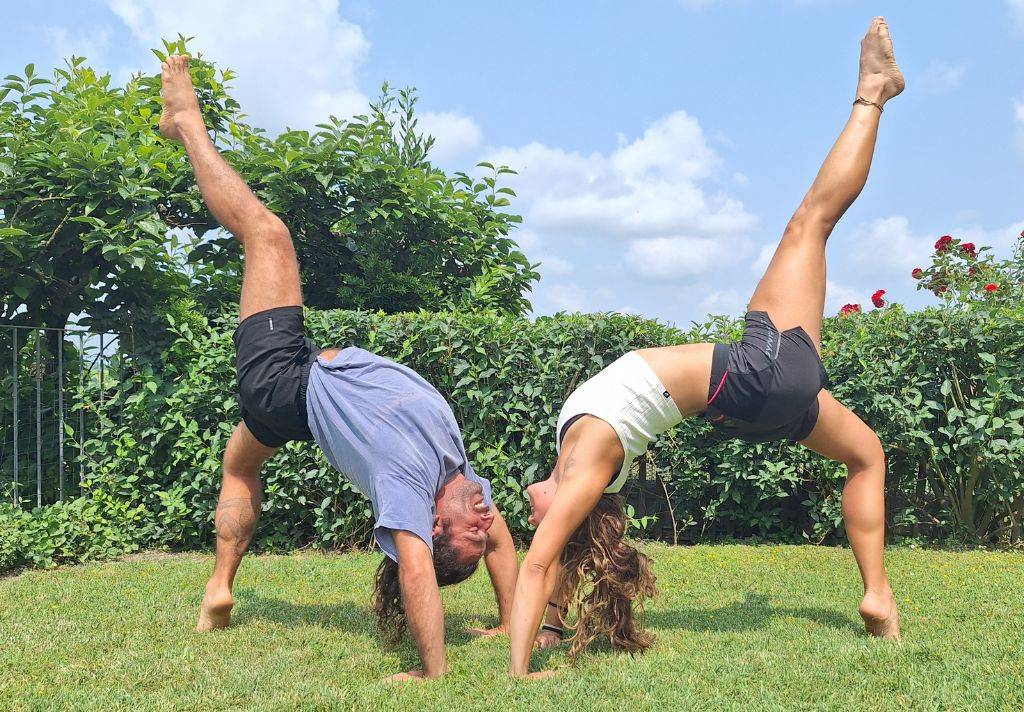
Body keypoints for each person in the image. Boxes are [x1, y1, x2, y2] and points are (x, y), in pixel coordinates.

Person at [509, 17, 906, 678]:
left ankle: (879, 596)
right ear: (577, 506)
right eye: (551, 517)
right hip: (757, 377)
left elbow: (558, 560)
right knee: (810, 220)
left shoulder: (574, 456)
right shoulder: (586, 467)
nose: (529, 510)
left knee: (866, 455)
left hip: (757, 407)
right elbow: (539, 561)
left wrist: (553, 623)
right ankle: (873, 92)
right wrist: (521, 673)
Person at [157, 54, 519, 681]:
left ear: (432, 523)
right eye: (484, 529)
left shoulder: (407, 488)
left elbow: (414, 568)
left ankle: (186, 123)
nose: (486, 520)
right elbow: (505, 544)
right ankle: (218, 588)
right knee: (239, 467)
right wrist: (515, 621)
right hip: (295, 402)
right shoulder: (458, 478)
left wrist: (434, 674)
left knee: (267, 234)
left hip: (285, 380)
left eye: (471, 533)